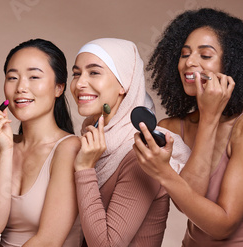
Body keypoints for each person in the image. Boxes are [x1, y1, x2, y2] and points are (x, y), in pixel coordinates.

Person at [134, 8, 243, 246]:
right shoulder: (171, 127)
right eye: (184, 54)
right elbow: (187, 203)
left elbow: (222, 226)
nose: (189, 63)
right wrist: (208, 118)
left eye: (205, 56)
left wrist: (164, 172)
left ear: (231, 65)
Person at [70, 38, 191, 247]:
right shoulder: (93, 139)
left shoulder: (140, 153)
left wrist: (84, 168)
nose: (79, 83)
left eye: (94, 72)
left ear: (123, 84)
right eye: (76, 73)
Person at [0, 39, 83, 247]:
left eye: (34, 77)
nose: (21, 87)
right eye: (12, 78)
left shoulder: (70, 148)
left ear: (58, 88)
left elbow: (49, 241)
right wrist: (6, 150)